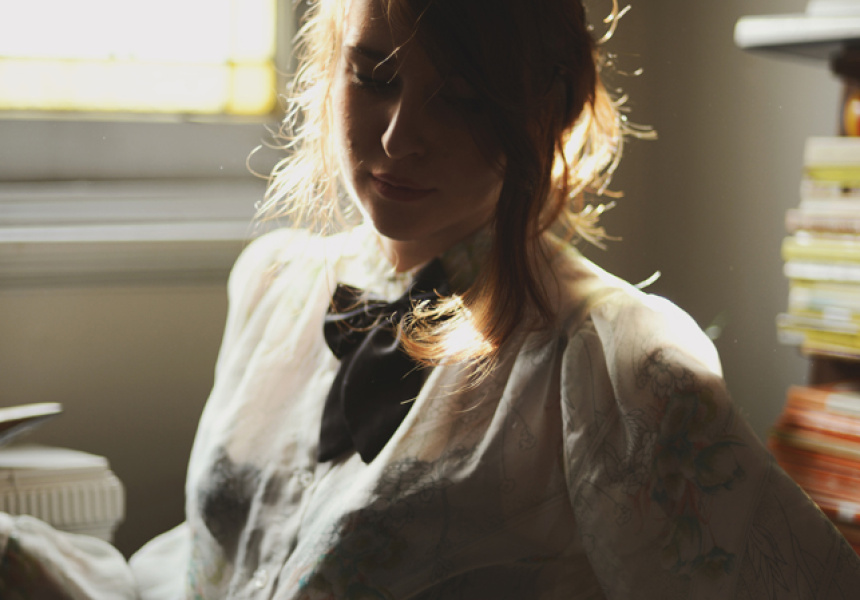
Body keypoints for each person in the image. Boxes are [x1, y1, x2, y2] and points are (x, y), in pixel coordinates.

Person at [3, 0, 860, 597]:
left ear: (549, 107)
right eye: (374, 74)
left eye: (461, 97)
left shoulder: (617, 363)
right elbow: (215, 570)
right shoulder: (275, 287)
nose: (398, 136)